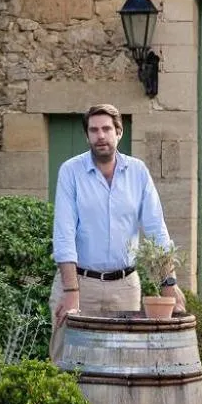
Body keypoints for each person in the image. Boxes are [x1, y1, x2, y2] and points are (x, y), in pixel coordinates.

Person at [49, 104, 186, 363]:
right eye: (93, 130)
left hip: (125, 287)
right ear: (87, 136)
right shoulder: (71, 171)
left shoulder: (138, 172)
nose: (100, 135)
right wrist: (71, 293)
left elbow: (157, 231)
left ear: (118, 133)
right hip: (79, 284)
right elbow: (63, 234)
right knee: (65, 362)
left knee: (122, 367)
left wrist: (169, 284)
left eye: (106, 129)